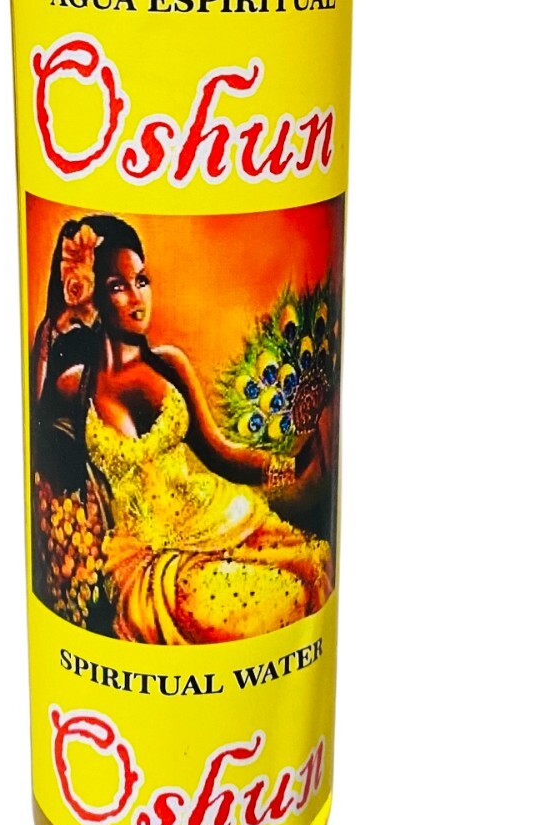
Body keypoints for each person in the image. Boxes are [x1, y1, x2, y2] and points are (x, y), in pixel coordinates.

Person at [32, 214, 332, 644]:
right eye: (117, 286)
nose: (137, 297)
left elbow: (221, 454)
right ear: (93, 295)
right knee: (243, 612)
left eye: (142, 280)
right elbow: (38, 429)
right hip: (148, 563)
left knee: (296, 586)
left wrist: (292, 467)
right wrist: (56, 322)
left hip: (217, 522)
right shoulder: (75, 385)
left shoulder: (169, 364)